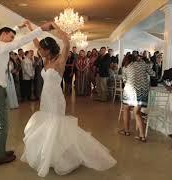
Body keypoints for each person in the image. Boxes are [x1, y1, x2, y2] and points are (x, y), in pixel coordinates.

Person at [21, 22, 116, 177]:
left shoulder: (60, 61)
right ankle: (49, 155)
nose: (39, 51)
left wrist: (54, 26)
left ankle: (61, 157)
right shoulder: (45, 60)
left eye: (42, 50)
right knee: (47, 124)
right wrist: (31, 29)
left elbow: (66, 41)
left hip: (56, 98)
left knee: (55, 125)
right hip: (45, 97)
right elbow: (37, 42)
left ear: (49, 50)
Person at [0, 20, 53, 165]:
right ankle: (0, 157)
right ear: (3, 35)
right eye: (10, 37)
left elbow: (9, 36)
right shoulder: (2, 48)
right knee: (3, 125)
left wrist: (16, 28)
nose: (12, 40)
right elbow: (23, 40)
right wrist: (41, 28)